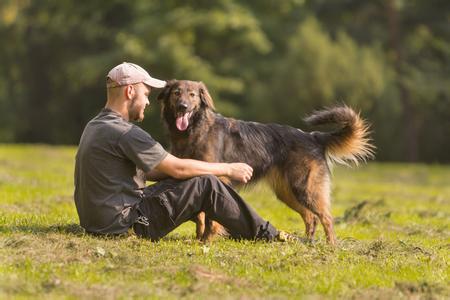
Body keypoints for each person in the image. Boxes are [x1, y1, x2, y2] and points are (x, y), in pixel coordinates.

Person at [74, 62, 296, 242]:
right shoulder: (125, 132)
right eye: (146, 94)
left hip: (99, 222)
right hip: (126, 224)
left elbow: (150, 172)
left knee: (196, 177)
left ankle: (241, 231)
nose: (149, 101)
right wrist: (228, 167)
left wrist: (191, 172)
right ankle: (270, 235)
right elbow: (178, 168)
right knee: (207, 184)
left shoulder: (96, 125)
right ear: (130, 91)